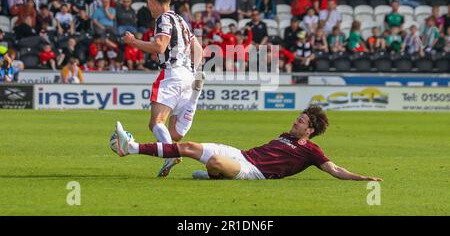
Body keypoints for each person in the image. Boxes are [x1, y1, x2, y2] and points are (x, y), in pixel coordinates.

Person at [111, 105, 380, 181]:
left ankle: (214, 174)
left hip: (255, 173)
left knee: (214, 162)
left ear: (310, 130)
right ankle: (131, 148)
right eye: (297, 118)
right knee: (189, 146)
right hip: (241, 154)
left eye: (300, 121)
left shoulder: (311, 151)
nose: (295, 122)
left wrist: (362, 177)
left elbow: (334, 170)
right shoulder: (285, 136)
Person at [122, 0, 205, 177]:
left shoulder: (163, 19)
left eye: (149, 3)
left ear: (153, 2)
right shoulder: (181, 20)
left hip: (172, 74)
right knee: (174, 132)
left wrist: (133, 42)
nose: (148, 7)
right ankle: (193, 99)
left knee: (156, 122)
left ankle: (170, 154)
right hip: (188, 76)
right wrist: (192, 71)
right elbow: (199, 50)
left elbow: (160, 46)